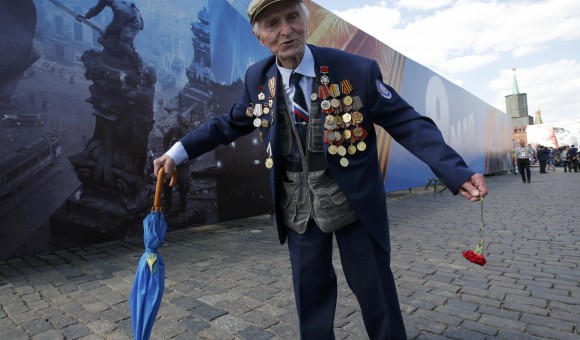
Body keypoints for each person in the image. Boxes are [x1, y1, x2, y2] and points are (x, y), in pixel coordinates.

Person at [153, 1, 488, 338]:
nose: (285, 31)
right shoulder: (259, 77)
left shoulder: (356, 70)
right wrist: (177, 152)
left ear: (306, 21)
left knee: (375, 293)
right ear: (260, 37)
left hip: (353, 201)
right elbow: (230, 123)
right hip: (298, 208)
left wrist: (455, 171)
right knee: (311, 297)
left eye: (292, 18)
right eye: (272, 24)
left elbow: (407, 123)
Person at [79, 0, 144, 71]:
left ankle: (137, 65)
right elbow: (97, 8)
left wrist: (106, 31)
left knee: (124, 43)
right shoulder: (106, 1)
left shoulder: (119, 8)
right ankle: (118, 57)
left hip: (133, 22)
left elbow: (117, 25)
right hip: (125, 18)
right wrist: (85, 15)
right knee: (109, 38)